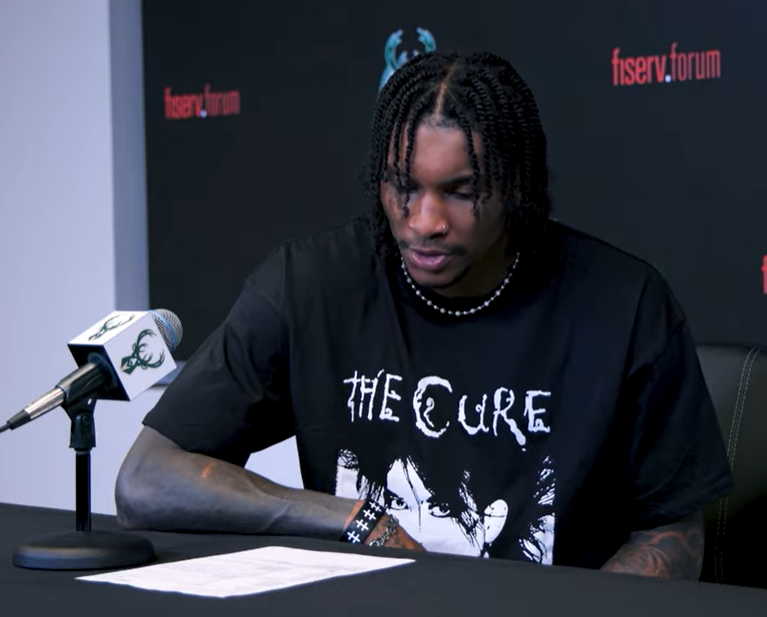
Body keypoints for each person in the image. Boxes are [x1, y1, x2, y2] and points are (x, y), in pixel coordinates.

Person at [115, 50, 732, 579]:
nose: (424, 221)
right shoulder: (310, 284)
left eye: (461, 191)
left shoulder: (623, 304)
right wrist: (353, 518)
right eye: (403, 186)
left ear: (516, 185)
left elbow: (672, 537)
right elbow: (146, 481)